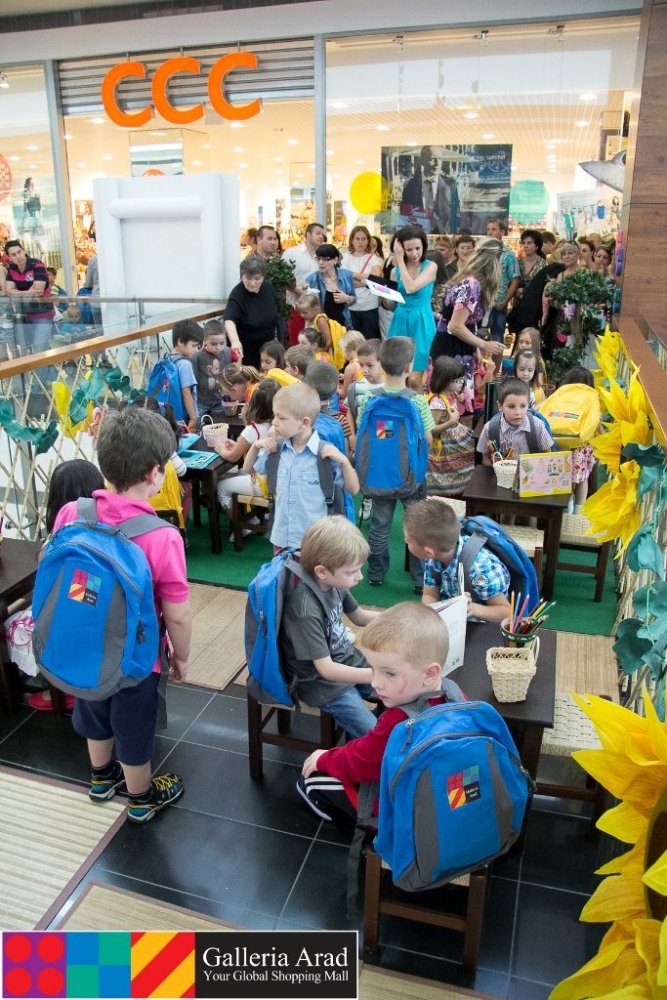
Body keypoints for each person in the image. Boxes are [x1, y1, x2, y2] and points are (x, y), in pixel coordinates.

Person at [52, 407, 191, 823]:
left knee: (93, 707)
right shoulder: (162, 537)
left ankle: (100, 778)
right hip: (136, 658)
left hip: (82, 642)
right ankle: (141, 797)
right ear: (155, 473)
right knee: (133, 725)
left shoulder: (73, 513)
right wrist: (181, 657)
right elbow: (178, 613)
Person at [297, 602, 464, 832]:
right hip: (446, 800)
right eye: (373, 670)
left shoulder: (398, 721)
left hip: (406, 813)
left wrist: (324, 758)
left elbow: (360, 761)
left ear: (429, 673)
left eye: (389, 673)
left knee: (309, 783)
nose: (376, 683)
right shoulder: (455, 693)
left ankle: (372, 837)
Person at [279, 516, 381, 738]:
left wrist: (400, 618)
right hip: (322, 684)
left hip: (345, 660)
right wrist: (377, 675)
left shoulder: (334, 583)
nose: (360, 577)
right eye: (352, 572)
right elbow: (326, 670)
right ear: (322, 571)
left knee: (406, 691)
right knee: (375, 736)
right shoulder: (305, 609)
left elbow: (360, 617)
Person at [21, 459, 106, 712]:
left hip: (78, 608)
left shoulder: (66, 525)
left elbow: (49, 567)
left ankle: (63, 687)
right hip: (106, 606)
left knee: (36, 618)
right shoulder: (106, 520)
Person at [243, 382, 359, 552]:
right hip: (282, 537)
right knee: (282, 570)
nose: (274, 422)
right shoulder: (276, 449)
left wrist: (344, 461)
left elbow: (354, 489)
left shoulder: (324, 453)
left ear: (304, 422)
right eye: (275, 416)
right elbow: (247, 469)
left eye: (281, 418)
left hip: (315, 542)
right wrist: (255, 446)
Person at [357, 337, 434, 592]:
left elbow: (364, 432)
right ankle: (420, 581)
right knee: (416, 527)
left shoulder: (369, 398)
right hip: (412, 477)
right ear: (409, 367)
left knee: (379, 527)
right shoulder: (417, 401)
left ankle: (376, 573)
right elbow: (428, 438)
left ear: (381, 364)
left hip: (379, 475)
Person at [404, 497, 512, 624]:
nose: (405, 541)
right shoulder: (432, 558)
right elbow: (430, 595)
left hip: (480, 626)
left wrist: (472, 609)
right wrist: (430, 616)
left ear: (428, 552)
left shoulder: (480, 568)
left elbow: (507, 613)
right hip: (454, 621)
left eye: (408, 540)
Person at [430, 237, 505, 374]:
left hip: (458, 346)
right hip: (451, 350)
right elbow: (455, 325)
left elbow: (466, 323)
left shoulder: (473, 282)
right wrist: (484, 344)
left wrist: (476, 348)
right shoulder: (471, 285)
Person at [215, 378, 279, 518]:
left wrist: (220, 448)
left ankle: (244, 524)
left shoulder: (253, 429)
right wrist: (237, 446)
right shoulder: (281, 425)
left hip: (264, 483)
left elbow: (233, 456)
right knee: (238, 474)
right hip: (277, 480)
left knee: (221, 486)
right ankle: (253, 516)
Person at [386, 224, 437, 389]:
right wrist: (381, 291)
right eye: (409, 250)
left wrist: (400, 259)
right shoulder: (395, 271)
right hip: (400, 317)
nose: (414, 253)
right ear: (401, 249)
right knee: (398, 376)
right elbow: (391, 303)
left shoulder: (430, 266)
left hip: (421, 319)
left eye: (418, 248)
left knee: (415, 379)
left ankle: (420, 405)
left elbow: (411, 287)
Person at [426, 356, 475, 495]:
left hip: (455, 434)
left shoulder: (451, 394)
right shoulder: (437, 402)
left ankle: (462, 487)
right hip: (444, 443)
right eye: (457, 380)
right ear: (444, 380)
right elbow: (431, 430)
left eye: (461, 379)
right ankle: (450, 490)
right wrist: (451, 422)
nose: (461, 383)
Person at [4, 239, 55, 369]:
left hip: (43, 314)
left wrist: (18, 293)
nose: (18, 256)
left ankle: (42, 381)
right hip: (25, 316)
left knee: (39, 350)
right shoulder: (12, 269)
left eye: (19, 252)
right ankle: (48, 377)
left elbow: (37, 292)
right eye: (13, 254)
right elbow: (9, 291)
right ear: (9, 258)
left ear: (23, 250)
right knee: (28, 351)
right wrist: (27, 292)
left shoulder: (37, 265)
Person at [477, 378, 555, 463]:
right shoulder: (490, 428)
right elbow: (485, 459)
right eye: (511, 406)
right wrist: (494, 464)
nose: (518, 412)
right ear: (500, 406)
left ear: (528, 405)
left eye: (523, 406)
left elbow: (547, 456)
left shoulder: (537, 426)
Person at [224, 258, 280, 368]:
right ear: (242, 276)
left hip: (267, 349)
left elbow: (276, 316)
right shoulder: (237, 294)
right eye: (248, 278)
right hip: (246, 351)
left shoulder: (268, 288)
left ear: (263, 277)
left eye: (257, 279)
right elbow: (229, 320)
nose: (252, 283)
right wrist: (235, 341)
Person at [559, 367, 598, 514]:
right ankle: (578, 512)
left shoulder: (562, 398)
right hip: (583, 446)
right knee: (583, 479)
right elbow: (596, 424)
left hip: (564, 443)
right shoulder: (591, 401)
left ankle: (566, 509)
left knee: (565, 478)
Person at [341, 225, 383, 340]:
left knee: (371, 342)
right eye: (357, 238)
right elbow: (345, 282)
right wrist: (368, 281)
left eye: (364, 239)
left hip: (370, 307)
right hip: (351, 307)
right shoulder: (344, 258)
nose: (360, 242)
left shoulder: (374, 258)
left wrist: (353, 274)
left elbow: (376, 277)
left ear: (368, 240)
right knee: (353, 343)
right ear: (352, 240)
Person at [485, 218, 520, 344]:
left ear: (502, 232)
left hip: (498, 303)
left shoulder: (509, 255)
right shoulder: (482, 253)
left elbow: (515, 280)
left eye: (494, 229)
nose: (490, 232)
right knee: (478, 337)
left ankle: (496, 359)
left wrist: (505, 301)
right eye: (488, 229)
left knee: (497, 338)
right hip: (481, 302)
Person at [508, 229, 550, 335]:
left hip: (535, 308)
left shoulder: (544, 265)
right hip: (518, 307)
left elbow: (545, 287)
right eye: (524, 243)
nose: (526, 246)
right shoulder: (517, 263)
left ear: (537, 246)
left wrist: (525, 290)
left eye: (529, 243)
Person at [306, 244, 356, 331]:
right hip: (322, 327)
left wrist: (347, 298)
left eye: (325, 259)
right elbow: (308, 306)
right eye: (318, 258)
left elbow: (354, 298)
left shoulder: (346, 275)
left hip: (344, 326)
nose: (320, 262)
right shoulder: (312, 279)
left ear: (335, 260)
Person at [167, 319, 202, 431]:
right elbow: (186, 392)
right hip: (185, 418)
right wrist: (193, 418)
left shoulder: (167, 359)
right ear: (180, 342)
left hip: (170, 416)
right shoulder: (184, 364)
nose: (196, 350)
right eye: (194, 346)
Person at [193, 321, 232, 417]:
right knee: (200, 423)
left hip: (220, 401)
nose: (218, 347)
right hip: (201, 402)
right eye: (214, 344)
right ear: (205, 340)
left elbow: (231, 372)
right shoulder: (197, 356)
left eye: (222, 343)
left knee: (219, 423)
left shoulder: (227, 352)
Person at [339, 330, 365, 397]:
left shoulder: (351, 367)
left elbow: (344, 394)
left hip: (357, 401)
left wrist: (335, 387)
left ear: (347, 349)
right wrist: (345, 376)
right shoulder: (367, 361)